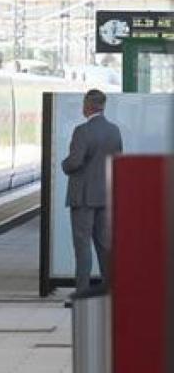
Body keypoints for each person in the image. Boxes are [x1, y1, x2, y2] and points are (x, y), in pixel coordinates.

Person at [62, 89, 123, 292]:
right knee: (104, 245)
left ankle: (82, 291)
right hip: (105, 196)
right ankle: (110, 288)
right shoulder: (115, 130)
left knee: (82, 245)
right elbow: (118, 162)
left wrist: (65, 164)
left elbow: (74, 162)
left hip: (83, 198)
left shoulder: (82, 131)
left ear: (88, 106)